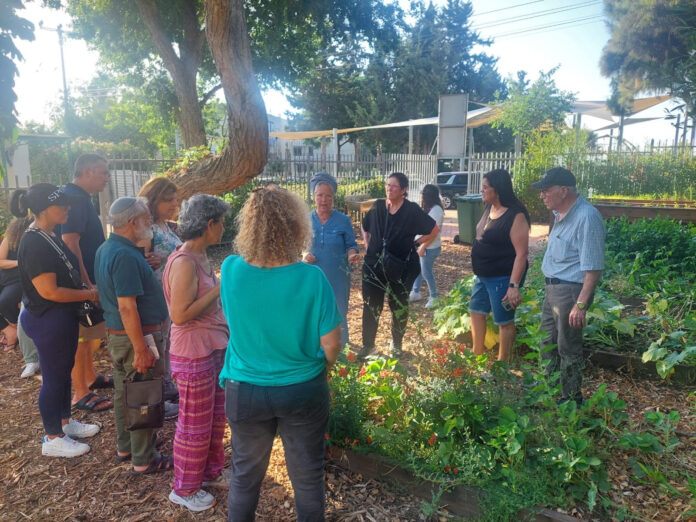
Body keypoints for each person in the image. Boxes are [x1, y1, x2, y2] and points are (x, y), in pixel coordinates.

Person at [219, 187, 342, 520]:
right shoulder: (311, 278)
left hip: (244, 388)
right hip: (302, 388)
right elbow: (332, 344)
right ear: (296, 226)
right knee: (307, 478)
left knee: (244, 477)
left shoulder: (230, 270)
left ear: (250, 225)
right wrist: (323, 367)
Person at [13, 184, 101, 458]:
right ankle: (52, 437)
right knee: (53, 377)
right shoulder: (34, 242)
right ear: (42, 209)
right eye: (61, 204)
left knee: (62, 372)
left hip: (59, 318)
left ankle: (64, 423)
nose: (68, 208)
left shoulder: (47, 234)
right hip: (47, 319)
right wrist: (88, 293)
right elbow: (49, 292)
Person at [94, 197, 173, 474]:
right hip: (136, 338)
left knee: (123, 393)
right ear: (132, 222)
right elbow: (127, 307)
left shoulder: (109, 248)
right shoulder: (125, 255)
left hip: (120, 337)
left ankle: (126, 447)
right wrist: (141, 348)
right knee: (142, 394)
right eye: (146, 219)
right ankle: (144, 459)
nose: (149, 224)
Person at [162, 195, 230, 512]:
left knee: (215, 418)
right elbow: (179, 314)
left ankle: (210, 472)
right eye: (221, 222)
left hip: (212, 347)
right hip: (192, 353)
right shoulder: (185, 261)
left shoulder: (200, 255)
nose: (224, 228)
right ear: (209, 224)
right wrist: (221, 287)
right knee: (193, 424)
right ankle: (185, 489)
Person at [532, 167, 605, 405]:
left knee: (568, 346)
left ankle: (571, 398)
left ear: (564, 191)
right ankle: (550, 387)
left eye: (546, 191)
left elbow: (593, 268)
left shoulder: (587, 217)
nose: (542, 195)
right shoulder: (559, 214)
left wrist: (581, 304)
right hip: (553, 288)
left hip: (571, 291)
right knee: (547, 341)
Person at [359, 172, 440, 358]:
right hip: (374, 265)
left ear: (403, 190)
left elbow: (434, 229)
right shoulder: (379, 206)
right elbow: (365, 225)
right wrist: (367, 242)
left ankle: (396, 344)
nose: (389, 188)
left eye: (394, 186)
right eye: (388, 185)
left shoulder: (411, 210)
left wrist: (418, 243)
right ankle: (368, 345)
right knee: (371, 305)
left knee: (398, 305)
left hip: (400, 266)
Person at [61, 153, 113, 413]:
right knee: (81, 337)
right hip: (83, 281)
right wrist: (86, 282)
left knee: (90, 332)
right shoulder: (75, 199)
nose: (107, 178)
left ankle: (91, 376)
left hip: (88, 278)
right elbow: (70, 242)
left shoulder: (79, 197)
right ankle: (80, 392)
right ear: (88, 172)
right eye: (103, 173)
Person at [469, 169, 530, 363]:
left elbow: (522, 254)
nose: (482, 190)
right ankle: (477, 354)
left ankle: (503, 364)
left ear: (498, 190)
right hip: (483, 276)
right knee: (476, 311)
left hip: (502, 278)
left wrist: (514, 286)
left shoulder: (515, 215)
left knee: (504, 321)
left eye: (486, 187)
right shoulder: (489, 209)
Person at [137, 176, 181, 419]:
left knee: (167, 342)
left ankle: (167, 388)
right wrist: (151, 260)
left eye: (175, 199)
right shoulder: (147, 229)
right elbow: (141, 261)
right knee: (160, 343)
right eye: (168, 200)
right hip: (157, 294)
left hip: (171, 292)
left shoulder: (165, 224)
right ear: (154, 201)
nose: (174, 204)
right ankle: (160, 399)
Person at [303, 172, 360, 348]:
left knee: (338, 311)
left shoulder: (343, 220)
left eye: (328, 196)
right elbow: (299, 245)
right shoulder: (305, 220)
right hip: (312, 275)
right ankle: (316, 348)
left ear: (333, 198)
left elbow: (351, 244)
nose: (324, 200)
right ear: (314, 197)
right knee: (313, 312)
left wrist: (352, 254)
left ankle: (342, 349)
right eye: (320, 195)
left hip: (338, 276)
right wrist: (304, 254)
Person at [409, 184, 445, 309]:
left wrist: (423, 246)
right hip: (423, 246)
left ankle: (434, 297)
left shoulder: (436, 211)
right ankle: (415, 292)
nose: (422, 198)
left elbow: (433, 233)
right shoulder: (429, 208)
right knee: (419, 269)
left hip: (430, 247)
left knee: (426, 272)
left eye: (424, 195)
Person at [0, 216, 32, 352]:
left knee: (4, 301)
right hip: (4, 278)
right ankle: (10, 330)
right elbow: (1, 261)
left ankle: (16, 329)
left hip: (19, 280)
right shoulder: (10, 239)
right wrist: (18, 263)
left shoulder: (33, 241)